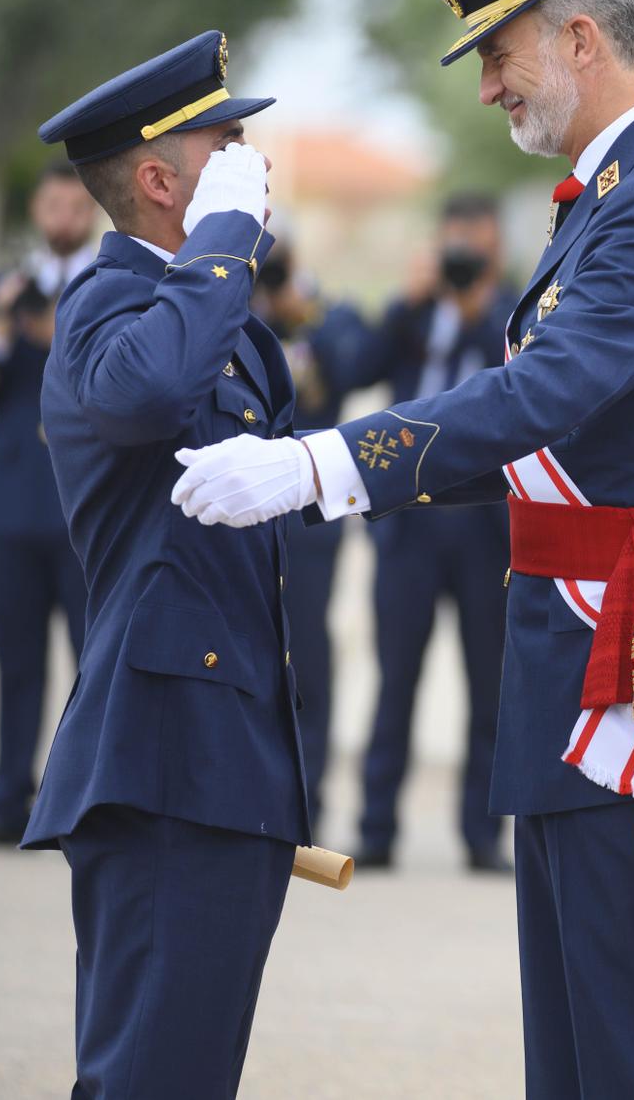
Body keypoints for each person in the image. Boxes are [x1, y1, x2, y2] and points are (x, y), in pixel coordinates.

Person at [172, 0, 634, 1098]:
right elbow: (545, 447)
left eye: (497, 54)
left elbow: (535, 398)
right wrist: (328, 477)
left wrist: (322, 464)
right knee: (576, 1058)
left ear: (580, 35)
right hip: (590, 664)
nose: (484, 90)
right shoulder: (613, 198)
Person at [26, 30, 311, 1095]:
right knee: (150, 1077)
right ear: (159, 180)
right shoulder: (108, 309)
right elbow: (148, 393)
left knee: (185, 1073)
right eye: (226, 144)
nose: (253, 162)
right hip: (163, 765)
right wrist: (227, 233)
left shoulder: (214, 312)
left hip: (225, 762)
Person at [347, 193, 516, 872]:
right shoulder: (413, 310)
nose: (463, 256)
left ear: (496, 247)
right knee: (394, 682)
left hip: (485, 531)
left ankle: (482, 835)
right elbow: (355, 367)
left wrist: (478, 316)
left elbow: (526, 380)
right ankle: (376, 825)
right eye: (454, 242)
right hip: (411, 529)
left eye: (474, 243)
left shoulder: (513, 309)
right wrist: (404, 302)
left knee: (489, 687)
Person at [0, 162, 97, 847]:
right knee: (17, 664)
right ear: (36, 209)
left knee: (91, 664)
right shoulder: (4, 290)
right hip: (6, 506)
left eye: (74, 205)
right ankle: (8, 802)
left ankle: (84, 810)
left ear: (90, 211)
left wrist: (63, 334)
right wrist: (2, 327)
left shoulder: (107, 287)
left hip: (82, 506)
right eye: (52, 204)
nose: (62, 217)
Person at [250, 235, 374, 831]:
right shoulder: (231, 307)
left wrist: (305, 321)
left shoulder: (327, 316)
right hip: (244, 523)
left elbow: (354, 365)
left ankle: (308, 797)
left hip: (306, 527)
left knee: (309, 665)